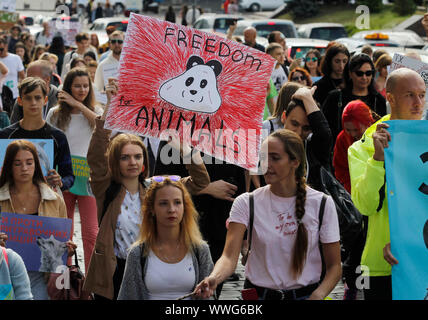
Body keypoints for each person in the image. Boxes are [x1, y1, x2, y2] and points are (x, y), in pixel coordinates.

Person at [82, 79, 210, 300]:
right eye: (125, 157)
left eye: (137, 156)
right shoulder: (106, 187)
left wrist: (185, 149)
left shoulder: (154, 186)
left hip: (149, 266)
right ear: (115, 161)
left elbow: (199, 182)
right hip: (114, 269)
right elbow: (95, 156)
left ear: (144, 161)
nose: (132, 162)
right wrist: (110, 112)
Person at [194, 129, 341, 300]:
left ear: (295, 161)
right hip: (258, 296)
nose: (266, 164)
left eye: (275, 158)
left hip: (306, 295)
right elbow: (228, 257)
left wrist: (319, 294)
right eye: (263, 157)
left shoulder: (322, 203)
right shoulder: (247, 202)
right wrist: (214, 278)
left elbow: (334, 267)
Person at [348, 68, 426, 300]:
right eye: (409, 95)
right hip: (380, 266)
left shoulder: (426, 140)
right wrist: (377, 160)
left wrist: (406, 241)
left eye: (422, 95)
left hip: (422, 258)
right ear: (390, 98)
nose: (418, 102)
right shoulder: (362, 148)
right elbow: (365, 205)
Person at [0, 139, 76, 299]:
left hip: (43, 277)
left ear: (36, 164)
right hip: (4, 273)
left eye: (29, 162)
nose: (24, 168)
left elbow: (64, 240)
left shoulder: (55, 200)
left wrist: (67, 248)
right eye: (17, 163)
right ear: (9, 166)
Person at [117, 177, 214, 300]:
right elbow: (128, 296)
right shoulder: (137, 253)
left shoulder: (200, 250)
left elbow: (209, 297)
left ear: (185, 207)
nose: (171, 209)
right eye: (163, 203)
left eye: (177, 202)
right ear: (152, 208)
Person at [46, 68, 103, 273]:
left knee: (91, 233)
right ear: (68, 86)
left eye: (86, 86)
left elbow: (102, 126)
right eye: (77, 86)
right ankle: (66, 277)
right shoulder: (55, 113)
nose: (82, 89)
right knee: (63, 230)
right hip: (63, 173)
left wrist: (78, 104)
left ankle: (90, 283)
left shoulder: (95, 110)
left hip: (88, 175)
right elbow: (48, 143)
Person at [0, 77, 74, 193]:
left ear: (45, 100)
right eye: (28, 98)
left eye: (37, 98)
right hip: (11, 205)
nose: (33, 103)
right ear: (19, 101)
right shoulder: (5, 136)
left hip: (45, 202)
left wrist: (60, 182)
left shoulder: (57, 136)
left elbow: (69, 175)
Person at [322, 53, 386, 143]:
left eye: (368, 73)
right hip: (341, 150)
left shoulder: (378, 100)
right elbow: (325, 128)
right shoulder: (335, 98)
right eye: (359, 73)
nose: (364, 77)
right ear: (350, 74)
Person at [281, 87, 333, 192]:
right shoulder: (267, 146)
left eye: (306, 128)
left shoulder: (314, 151)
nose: (298, 132)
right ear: (283, 117)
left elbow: (324, 134)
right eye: (294, 124)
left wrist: (307, 97)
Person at [313, 43, 350, 108]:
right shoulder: (319, 86)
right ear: (329, 61)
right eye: (337, 61)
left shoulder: (352, 83)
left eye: (344, 61)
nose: (341, 66)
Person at [0, 36, 25, 107]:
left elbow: (22, 77)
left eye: (1, 49)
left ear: (6, 46)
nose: (0, 52)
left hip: (14, 95)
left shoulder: (16, 58)